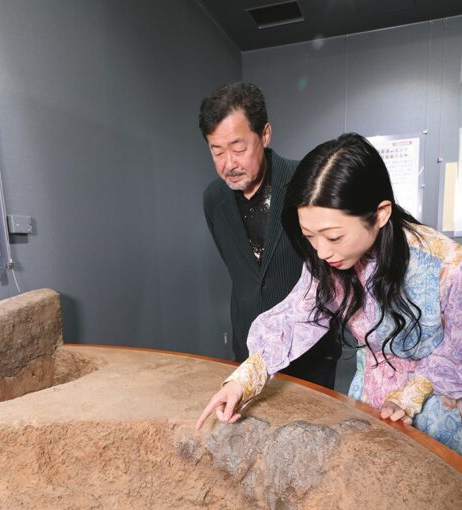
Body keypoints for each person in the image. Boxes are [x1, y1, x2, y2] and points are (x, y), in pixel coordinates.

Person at [197, 133, 461, 453]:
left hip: (438, 408)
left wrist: (410, 396)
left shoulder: (447, 267)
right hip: (373, 397)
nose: (321, 252)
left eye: (333, 236)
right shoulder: (334, 260)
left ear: (380, 214)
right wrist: (242, 381)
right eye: (310, 236)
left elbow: (452, 357)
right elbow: (298, 316)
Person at [199, 81, 340, 388]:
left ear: (264, 134)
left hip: (308, 354)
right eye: (217, 151)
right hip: (249, 351)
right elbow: (242, 271)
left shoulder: (306, 182)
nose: (229, 164)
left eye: (238, 148)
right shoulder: (213, 199)